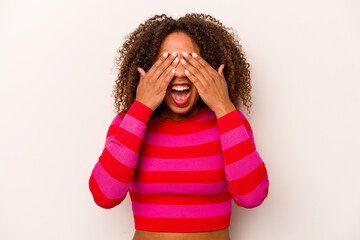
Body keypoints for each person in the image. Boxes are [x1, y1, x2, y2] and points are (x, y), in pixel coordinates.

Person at [88, 13, 270, 240]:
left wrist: (223, 105)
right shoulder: (129, 123)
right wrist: (141, 107)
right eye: (167, 63)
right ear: (148, 70)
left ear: (210, 69)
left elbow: (252, 196)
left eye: (191, 62)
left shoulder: (230, 122)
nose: (181, 73)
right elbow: (105, 196)